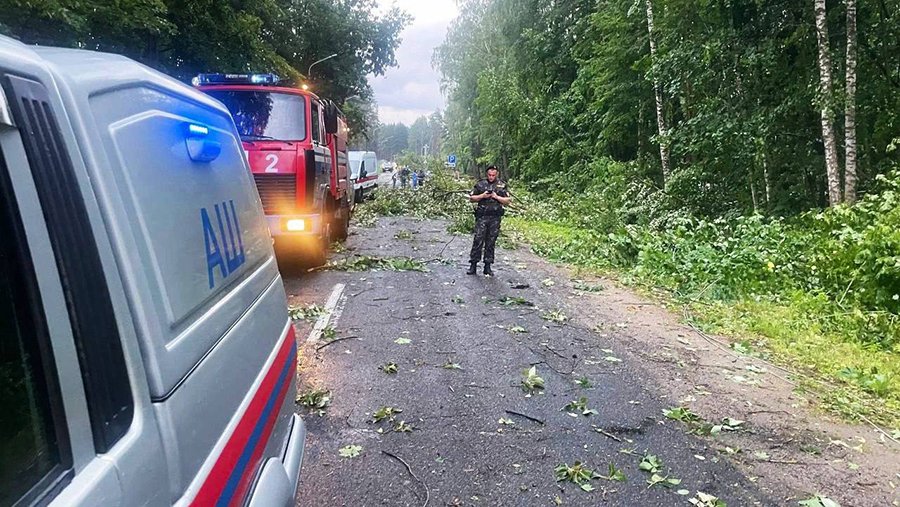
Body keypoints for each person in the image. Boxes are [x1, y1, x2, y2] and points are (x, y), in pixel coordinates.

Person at [467, 165, 511, 277]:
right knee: (478, 240)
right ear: (487, 174)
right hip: (482, 217)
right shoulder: (480, 184)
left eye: (493, 175)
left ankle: (487, 266)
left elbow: (507, 201)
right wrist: (482, 196)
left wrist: (496, 197)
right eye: (489, 175)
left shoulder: (501, 185)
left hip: (495, 218)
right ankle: (473, 265)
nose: (491, 177)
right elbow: (471, 198)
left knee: (491, 242)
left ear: (497, 174)